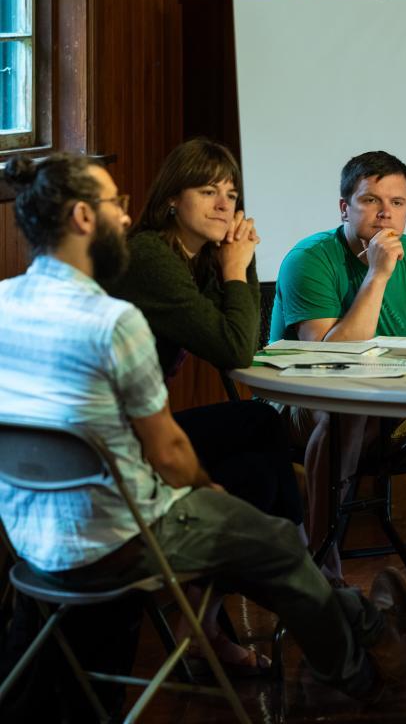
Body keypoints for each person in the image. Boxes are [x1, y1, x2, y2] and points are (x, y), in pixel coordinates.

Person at [0, 154, 406, 709]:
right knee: (268, 535)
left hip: (32, 536)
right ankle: (367, 670)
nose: (127, 220)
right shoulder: (112, 320)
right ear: (84, 217)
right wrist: (205, 491)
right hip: (119, 534)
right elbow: (169, 450)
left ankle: (370, 633)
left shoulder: (5, 299)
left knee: (255, 465)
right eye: (116, 206)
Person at [104, 138, 303, 674]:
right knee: (250, 474)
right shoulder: (149, 255)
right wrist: (238, 269)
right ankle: (264, 594)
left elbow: (244, 338)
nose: (224, 205)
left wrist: (236, 260)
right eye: (208, 190)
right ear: (172, 199)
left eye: (232, 194)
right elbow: (234, 348)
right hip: (116, 450)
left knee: (259, 423)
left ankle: (282, 573)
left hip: (139, 434)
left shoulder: (190, 259)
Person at [270, 150, 406, 589]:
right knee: (346, 413)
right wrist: (377, 275)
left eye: (397, 202)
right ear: (344, 208)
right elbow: (330, 359)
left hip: (395, 408)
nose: (385, 213)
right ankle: (323, 575)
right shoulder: (309, 258)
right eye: (371, 200)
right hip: (306, 403)